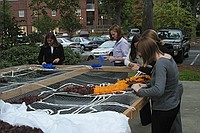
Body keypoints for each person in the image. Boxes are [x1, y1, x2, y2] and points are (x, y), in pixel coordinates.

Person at [131, 37, 183, 133]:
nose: (142, 57)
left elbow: (159, 90)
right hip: (172, 105)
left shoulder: (160, 64)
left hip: (163, 109)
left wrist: (139, 90)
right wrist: (146, 85)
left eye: (142, 55)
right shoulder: (167, 57)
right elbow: (166, 81)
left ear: (147, 52)